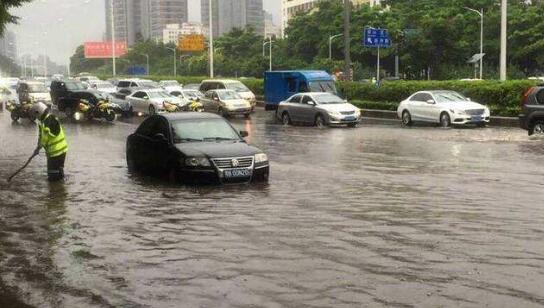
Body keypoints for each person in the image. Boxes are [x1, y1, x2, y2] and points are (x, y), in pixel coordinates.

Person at [30, 102, 68, 181]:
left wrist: (38, 148)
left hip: (55, 153)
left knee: (52, 176)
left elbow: (43, 139)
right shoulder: (52, 118)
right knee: (59, 171)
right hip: (63, 151)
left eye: (36, 116)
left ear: (38, 112)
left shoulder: (45, 124)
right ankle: (62, 188)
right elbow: (41, 137)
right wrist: (37, 148)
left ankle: (55, 191)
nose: (36, 118)